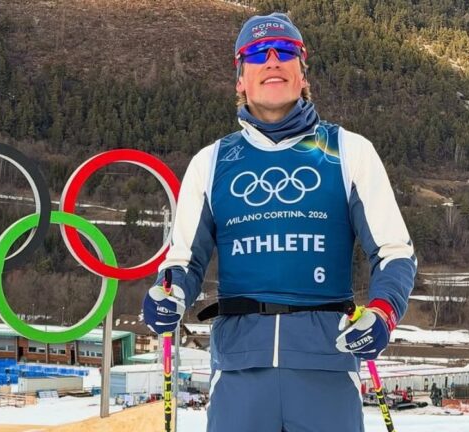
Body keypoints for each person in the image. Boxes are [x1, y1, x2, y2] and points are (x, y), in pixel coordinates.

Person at [142, 12, 416, 432]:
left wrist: (382, 313)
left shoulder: (349, 151)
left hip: (326, 363)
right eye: (256, 53)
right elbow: (183, 262)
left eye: (285, 51)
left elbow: (394, 252)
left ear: (302, 74)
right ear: (240, 79)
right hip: (239, 370)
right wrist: (170, 294)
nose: (272, 59)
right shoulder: (210, 162)